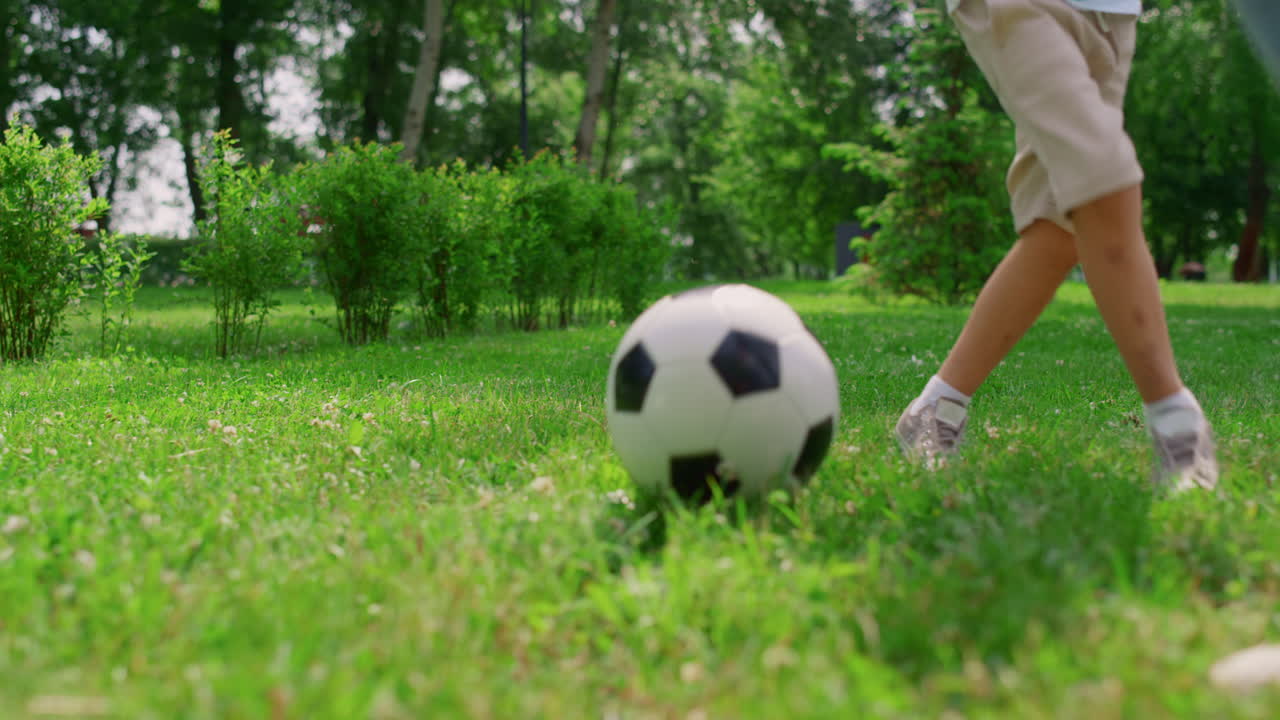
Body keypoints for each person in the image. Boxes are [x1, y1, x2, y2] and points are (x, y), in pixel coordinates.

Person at [895, 0, 1219, 491]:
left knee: (1058, 229)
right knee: (1104, 185)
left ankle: (935, 409)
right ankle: (1180, 428)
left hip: (1112, 14)